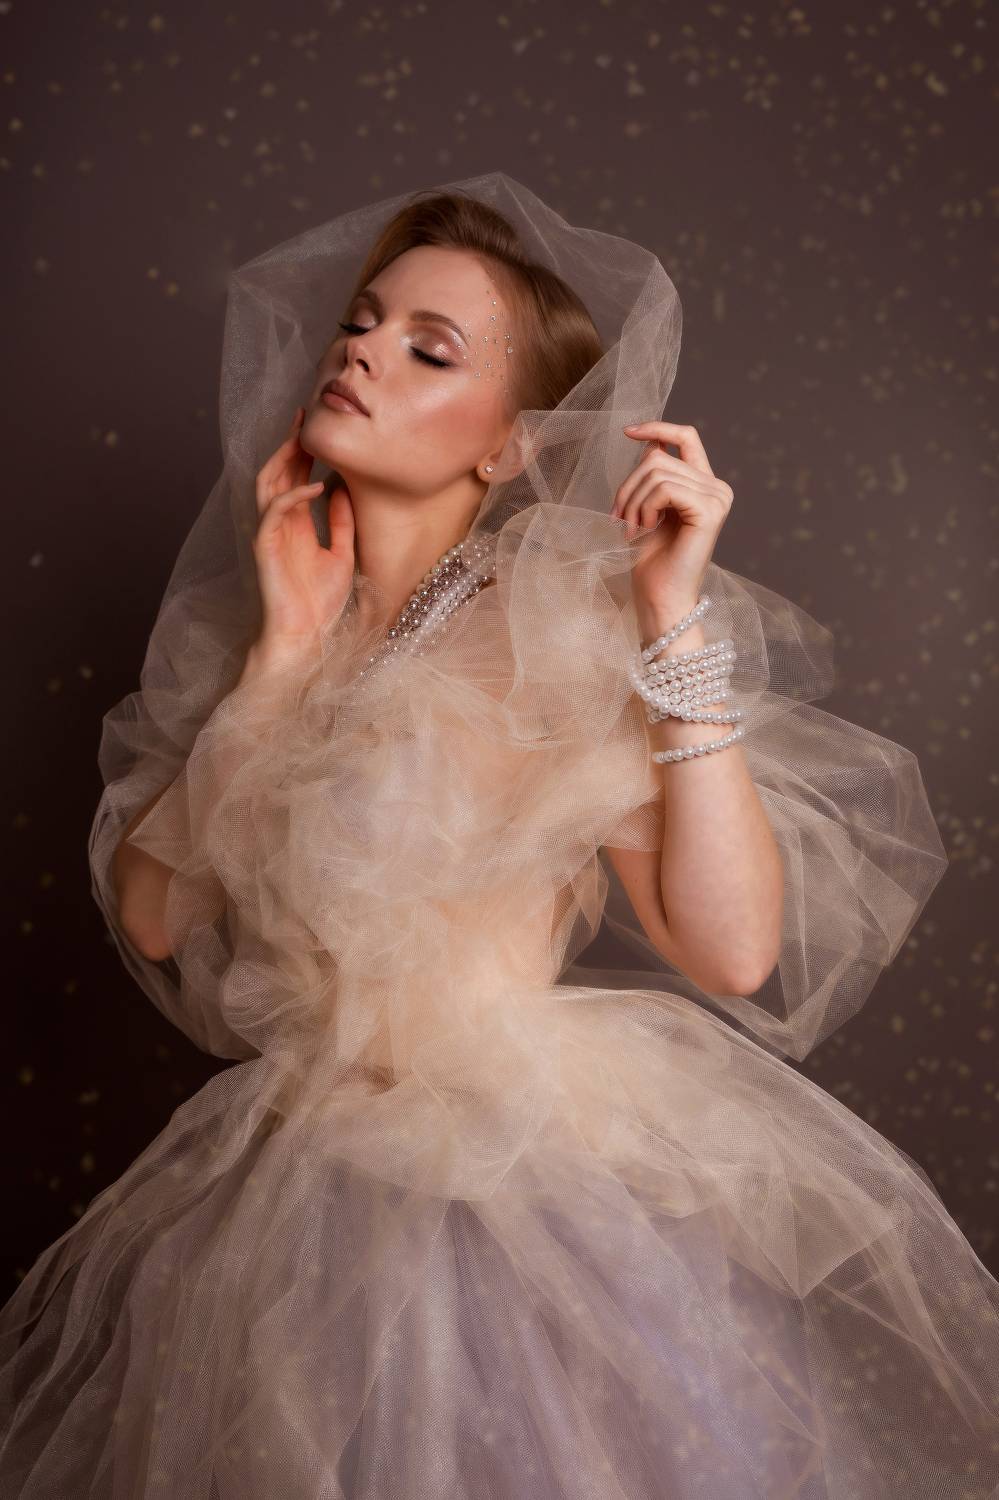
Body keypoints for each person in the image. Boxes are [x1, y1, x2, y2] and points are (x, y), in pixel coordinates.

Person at [1, 172, 997, 1498]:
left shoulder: (548, 626)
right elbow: (152, 912)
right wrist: (282, 659)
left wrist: (670, 622)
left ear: (511, 447)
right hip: (292, 1196)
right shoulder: (287, 625)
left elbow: (734, 949)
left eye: (431, 349)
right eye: (363, 322)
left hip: (501, 1194)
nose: (361, 351)